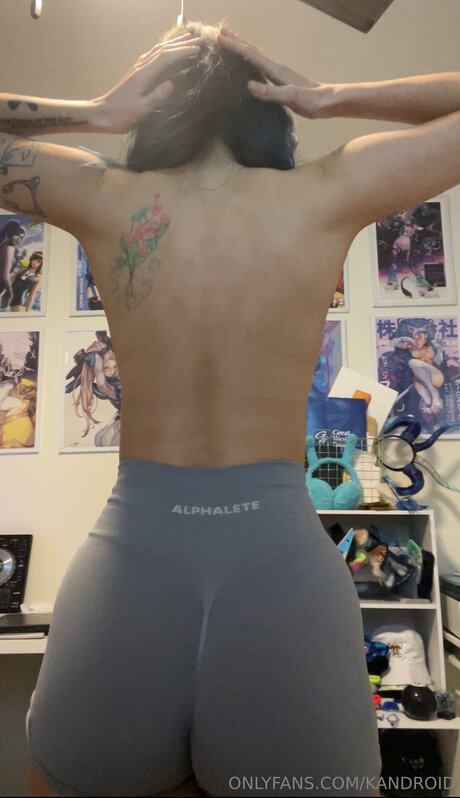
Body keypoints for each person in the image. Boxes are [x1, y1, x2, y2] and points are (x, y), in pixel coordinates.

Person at [1, 19, 458, 798]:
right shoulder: (326, 191)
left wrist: (94, 112)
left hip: (131, 565)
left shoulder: (103, 195)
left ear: (156, 105)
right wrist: (328, 96)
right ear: (265, 106)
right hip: (280, 564)